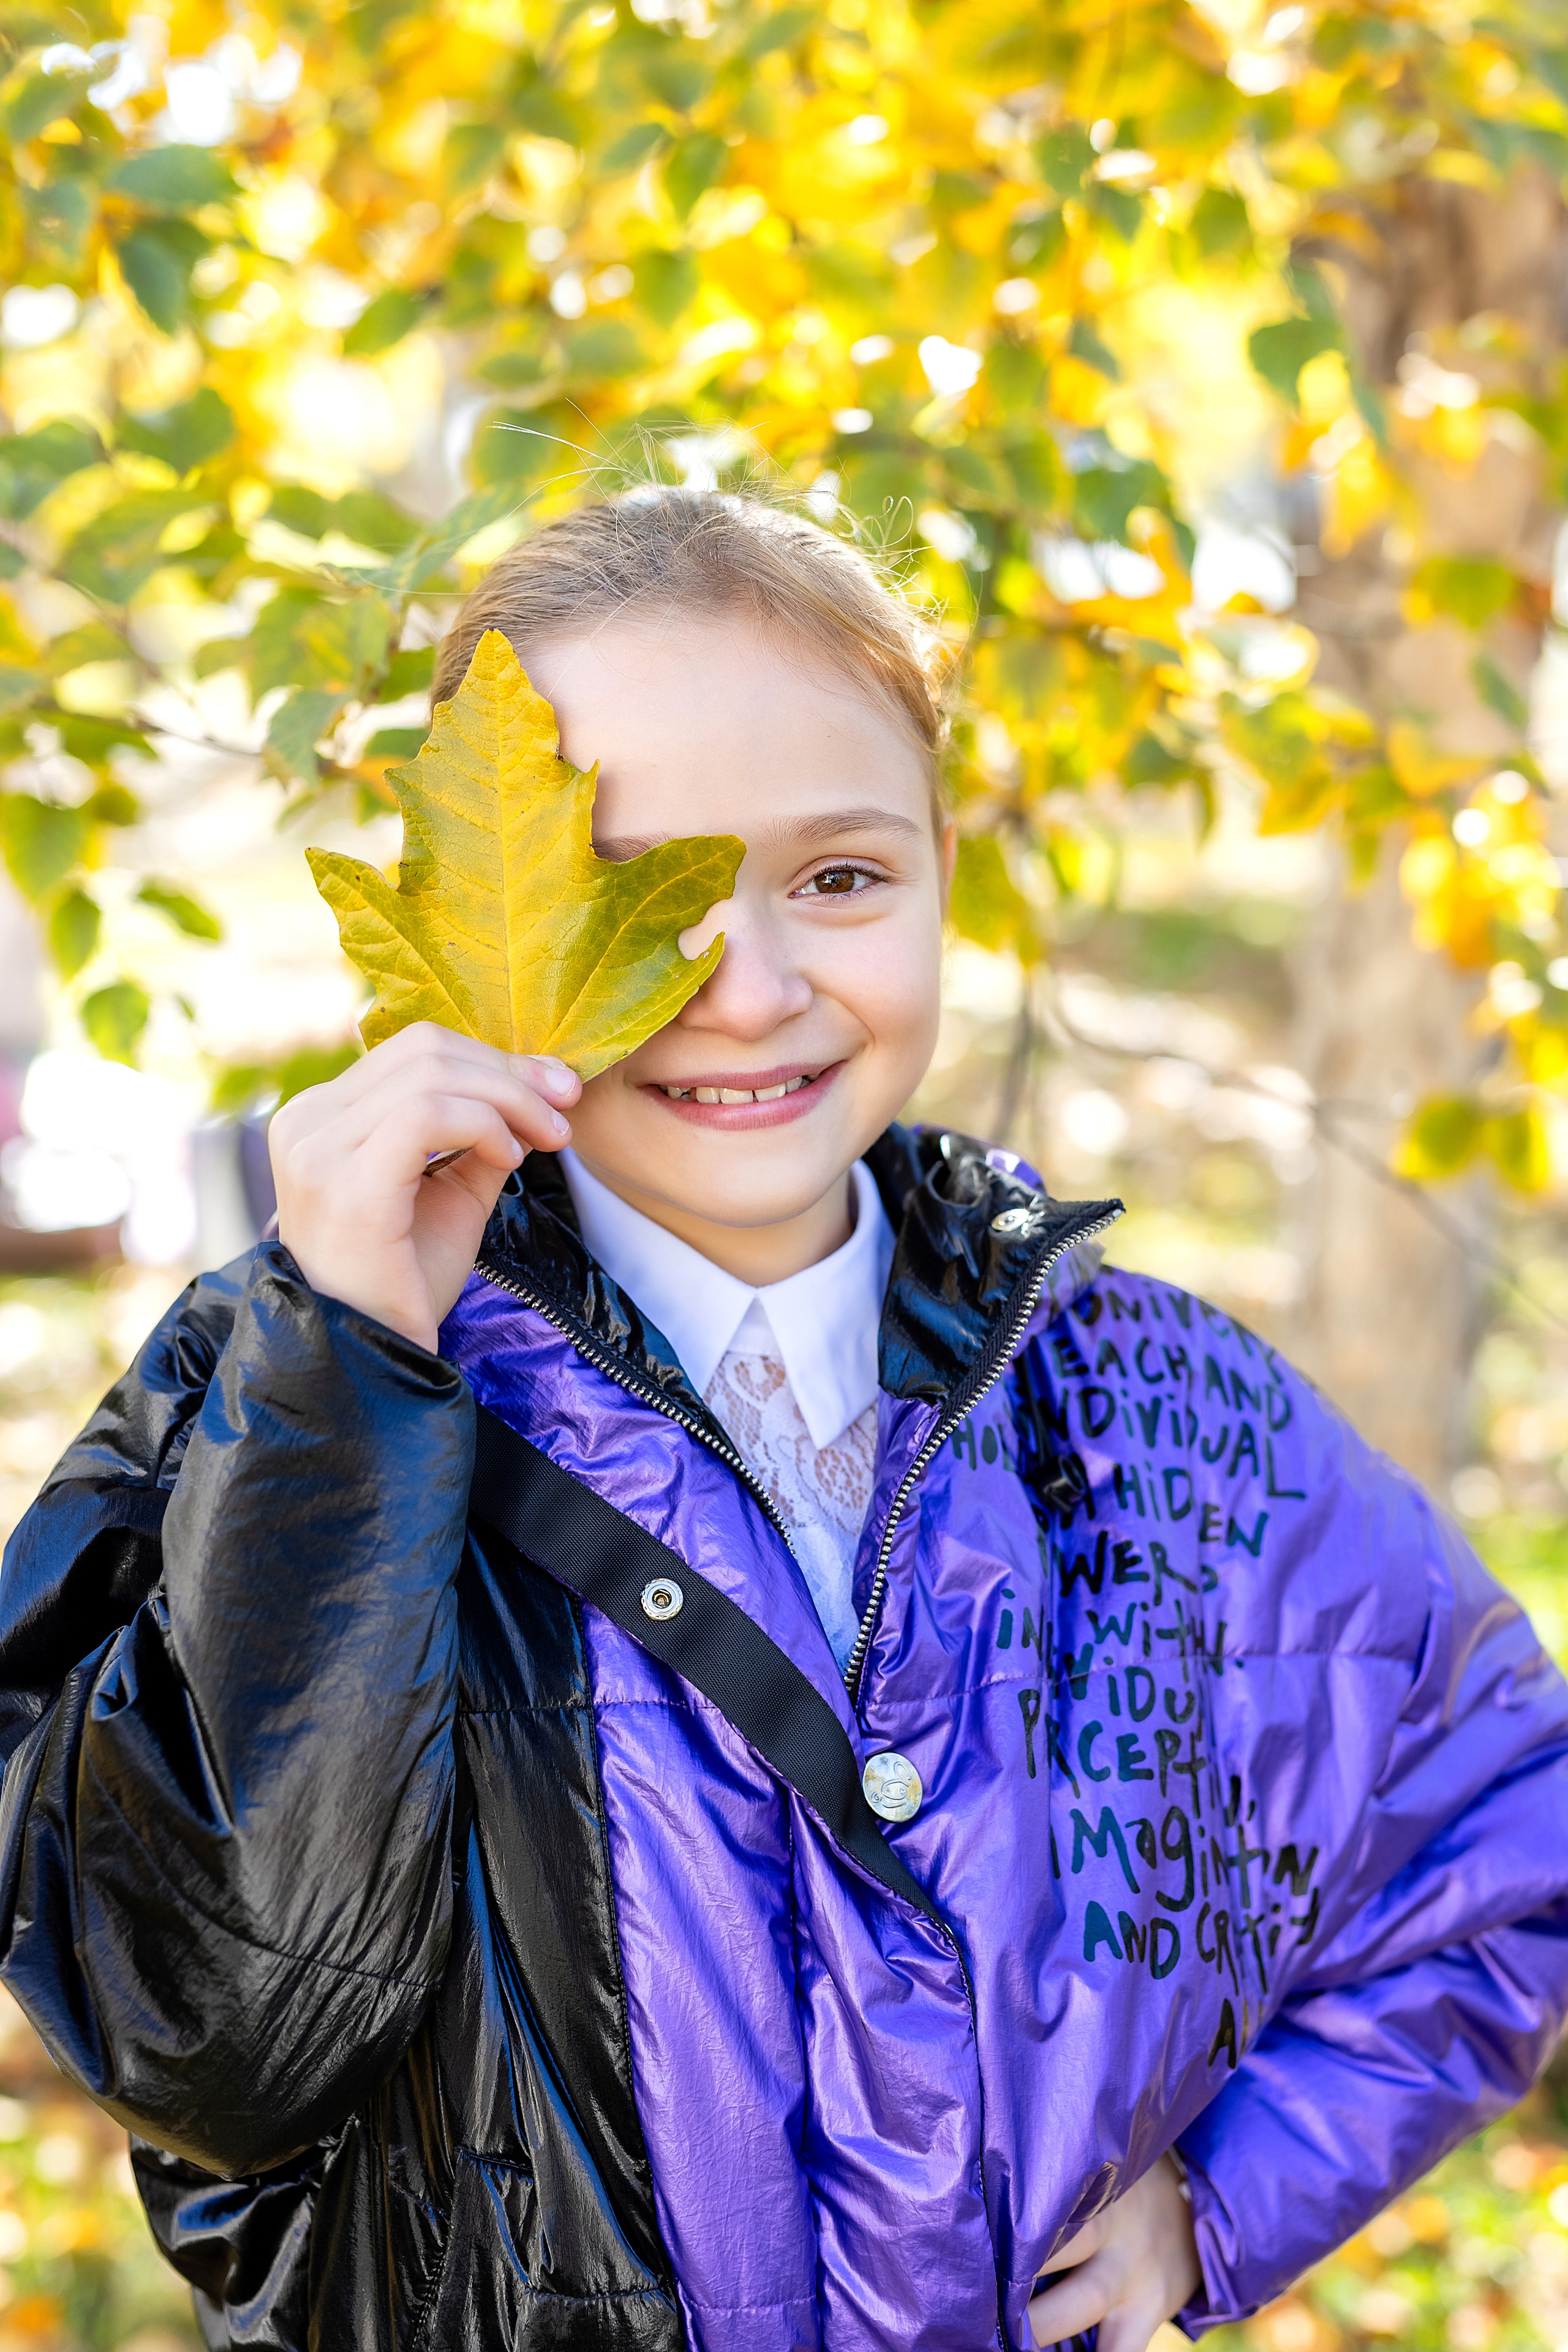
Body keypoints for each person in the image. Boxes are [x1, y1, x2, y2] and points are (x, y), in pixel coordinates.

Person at [2, 488, 1566, 2352]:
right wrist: (343, 1379)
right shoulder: (282, 1385)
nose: (750, 989)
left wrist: (1229, 2193)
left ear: (942, 873)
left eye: (840, 878)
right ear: (465, 927)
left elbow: (1505, 1828)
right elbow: (212, 2037)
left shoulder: (1148, 1406)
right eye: (634, 896)